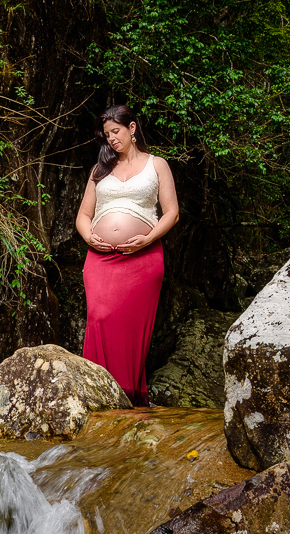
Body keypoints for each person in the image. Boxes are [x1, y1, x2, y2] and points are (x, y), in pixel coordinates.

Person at [75, 105, 179, 406]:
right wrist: (89, 236)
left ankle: (128, 400)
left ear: (132, 128)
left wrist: (148, 238)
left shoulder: (157, 165)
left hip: (142, 259)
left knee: (130, 332)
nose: (111, 139)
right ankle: (96, 394)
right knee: (99, 317)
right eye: (107, 135)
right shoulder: (99, 170)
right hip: (101, 259)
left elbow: (172, 213)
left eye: (115, 131)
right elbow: (83, 215)